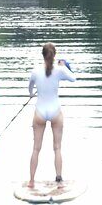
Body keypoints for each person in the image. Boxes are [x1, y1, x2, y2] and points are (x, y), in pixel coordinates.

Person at [28, 42, 76, 188]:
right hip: (55, 112)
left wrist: (31, 94)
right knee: (57, 148)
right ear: (54, 56)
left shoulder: (35, 71)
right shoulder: (59, 71)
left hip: (40, 113)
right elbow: (74, 78)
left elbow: (30, 89)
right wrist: (64, 66)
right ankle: (59, 180)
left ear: (43, 55)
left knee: (36, 148)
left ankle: (31, 182)